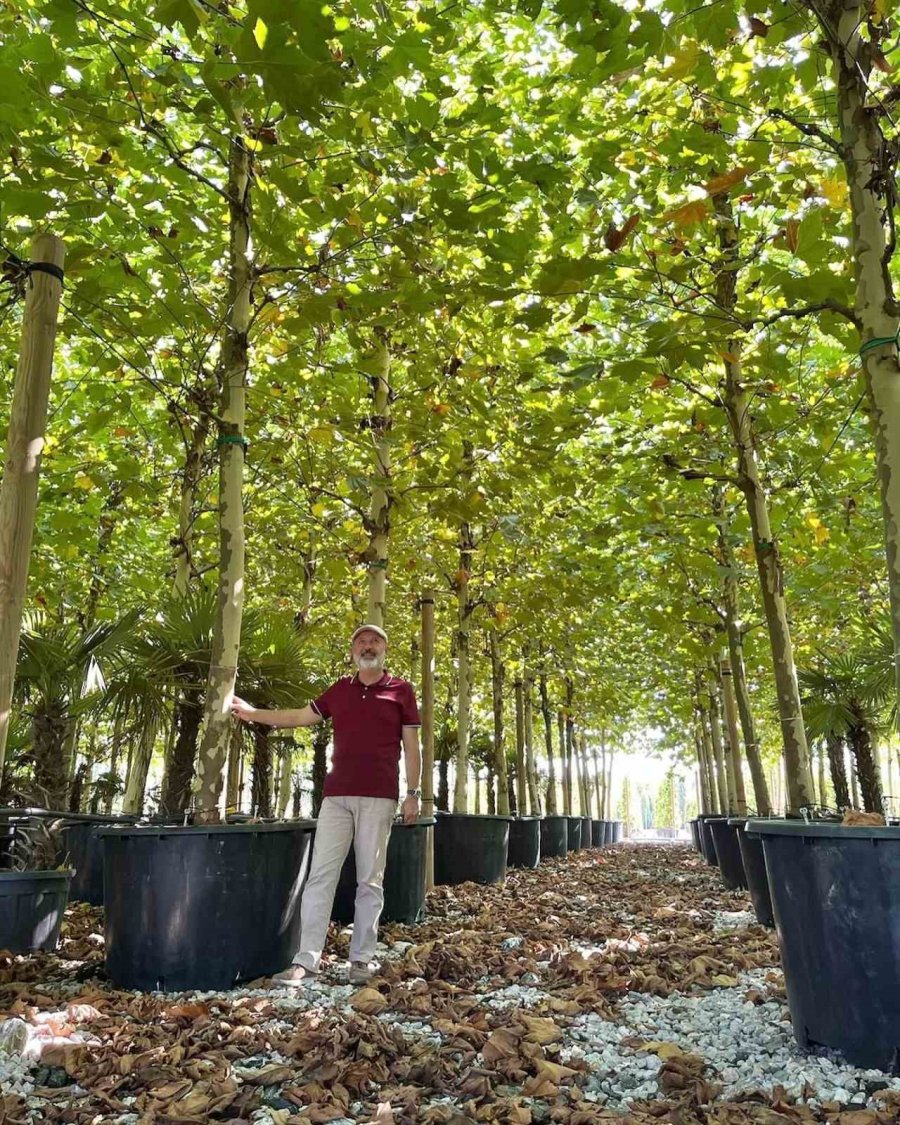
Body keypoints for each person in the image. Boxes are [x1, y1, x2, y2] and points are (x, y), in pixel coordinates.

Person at [231, 624, 421, 986]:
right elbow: (300, 717)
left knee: (370, 881)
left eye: (375, 640)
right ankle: (306, 962)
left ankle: (361, 961)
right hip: (336, 798)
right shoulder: (340, 690)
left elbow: (412, 746)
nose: (368, 646)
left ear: (385, 648)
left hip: (379, 797)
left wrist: (413, 792)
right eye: (362, 641)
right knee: (320, 877)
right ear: (353, 650)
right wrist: (254, 713)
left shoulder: (401, 691)